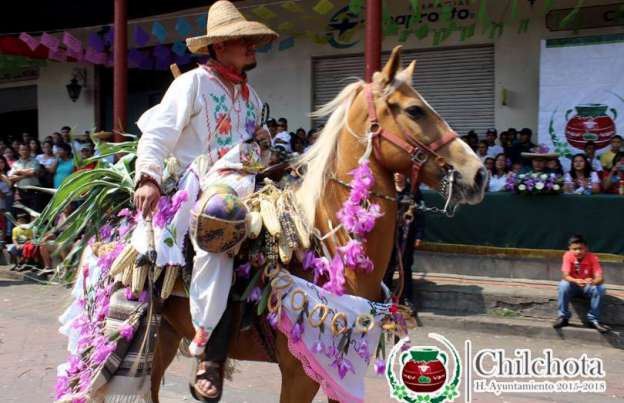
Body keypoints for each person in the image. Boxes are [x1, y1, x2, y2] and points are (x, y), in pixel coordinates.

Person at [131, 2, 278, 399]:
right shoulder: (192, 84)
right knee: (220, 223)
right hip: (202, 189)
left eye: (251, 41)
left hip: (249, 185)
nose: (251, 47)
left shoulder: (252, 96)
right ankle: (209, 356)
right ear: (218, 47)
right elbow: (158, 133)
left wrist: (266, 149)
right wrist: (149, 177)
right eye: (242, 40)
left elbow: (259, 151)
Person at [383, 174, 425, 313]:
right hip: (388, 234)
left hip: (407, 235)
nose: (397, 176)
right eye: (394, 173)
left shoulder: (413, 191)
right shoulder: (386, 188)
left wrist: (419, 235)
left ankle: (406, 298)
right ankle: (385, 297)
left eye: (400, 173)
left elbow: (420, 215)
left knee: (405, 267)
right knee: (388, 266)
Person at [553, 235, 608, 333]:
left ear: (586, 248)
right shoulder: (567, 256)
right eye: (574, 249)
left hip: (587, 286)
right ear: (569, 249)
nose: (578, 251)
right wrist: (576, 280)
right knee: (563, 285)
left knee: (601, 288)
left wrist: (593, 281)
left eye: (580, 248)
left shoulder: (593, 258)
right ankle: (563, 317)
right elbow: (565, 276)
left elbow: (600, 278)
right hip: (574, 285)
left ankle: (593, 320)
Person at [8, 144, 41, 211]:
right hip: (20, 192)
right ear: (19, 151)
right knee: (22, 217)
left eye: (26, 149)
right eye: (22, 150)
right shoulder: (16, 163)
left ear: (29, 151)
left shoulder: (35, 161)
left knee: (34, 213)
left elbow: (32, 172)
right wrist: (25, 175)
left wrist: (18, 171)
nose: (24, 151)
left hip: (33, 191)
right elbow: (11, 177)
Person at [0, 156, 13, 242]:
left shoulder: (9, 173)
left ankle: (3, 240)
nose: (0, 164)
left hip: (8, 200)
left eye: (2, 162)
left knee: (4, 221)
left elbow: (10, 185)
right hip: (1, 200)